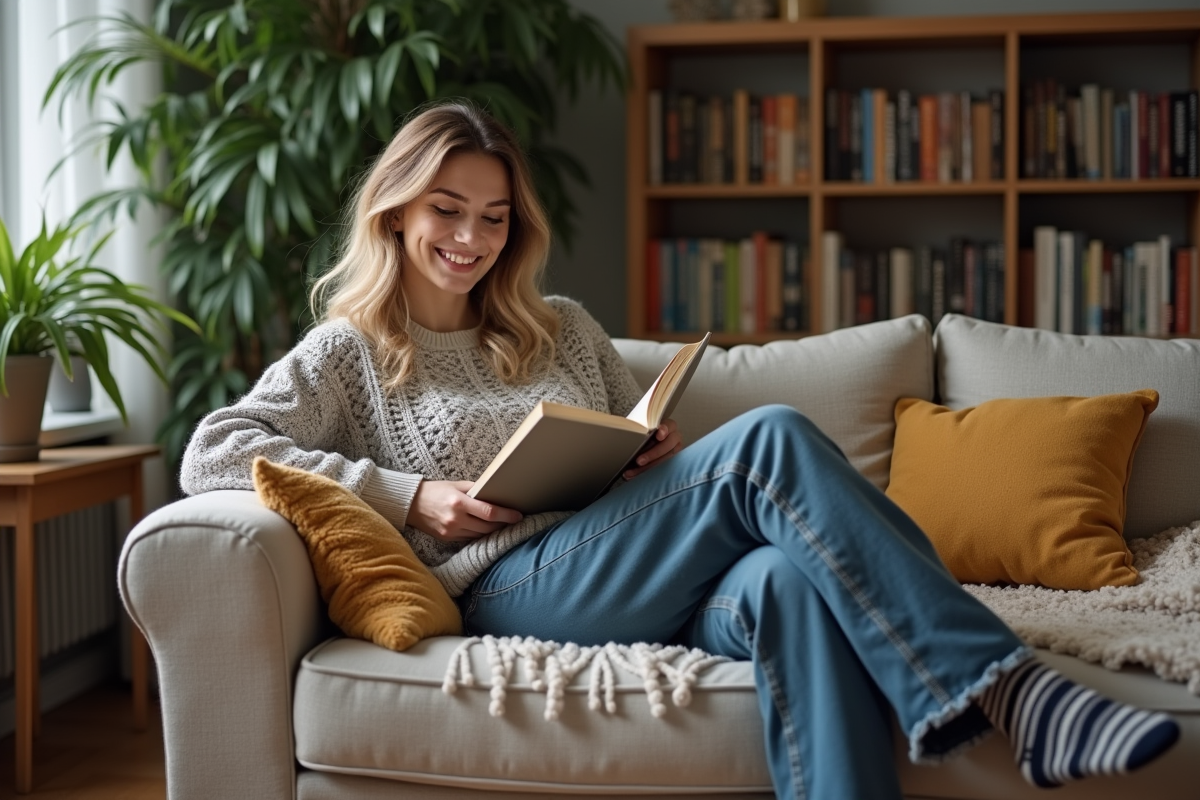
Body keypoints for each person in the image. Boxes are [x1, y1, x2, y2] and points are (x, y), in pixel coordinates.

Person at [180, 100, 1180, 799]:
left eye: (493, 217)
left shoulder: (562, 324)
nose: (471, 238)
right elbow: (216, 450)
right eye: (447, 210)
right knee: (770, 442)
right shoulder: (352, 348)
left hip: (626, 557)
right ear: (396, 209)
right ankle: (1008, 687)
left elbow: (641, 438)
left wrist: (649, 446)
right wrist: (410, 496)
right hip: (508, 580)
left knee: (788, 579)